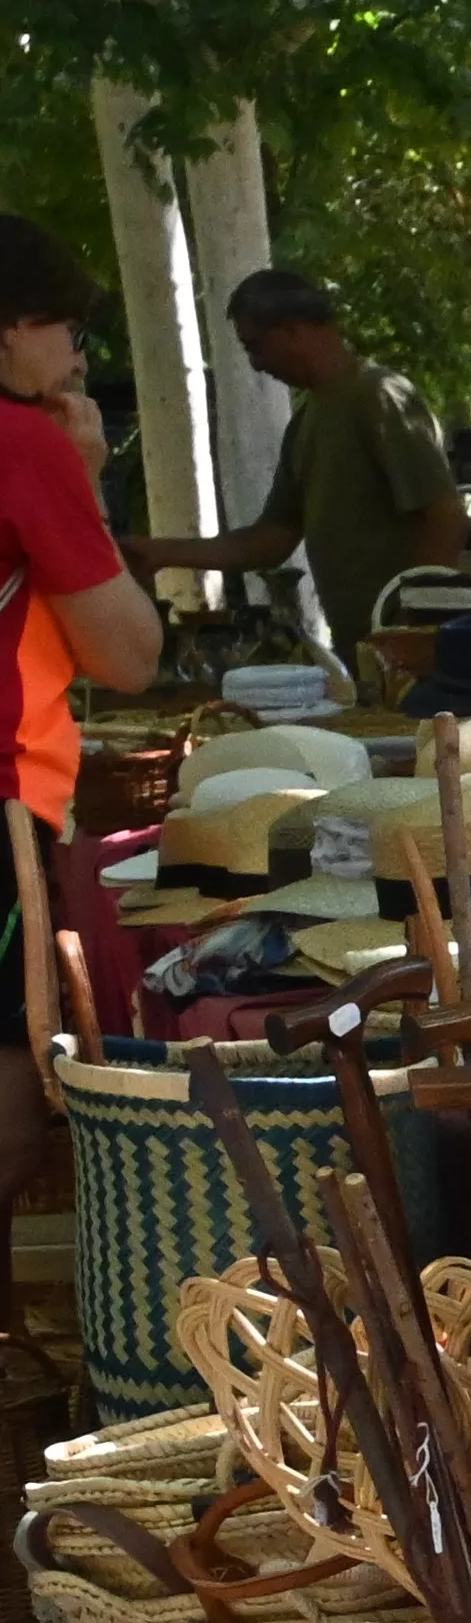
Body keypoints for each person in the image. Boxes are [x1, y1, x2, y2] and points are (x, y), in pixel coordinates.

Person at [1, 215, 161, 1184]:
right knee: (12, 1109)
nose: (75, 356)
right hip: (5, 805)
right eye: (69, 330)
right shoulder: (24, 443)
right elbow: (131, 655)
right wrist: (90, 485)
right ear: (14, 326)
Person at [122, 269, 463, 652]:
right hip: (362, 654)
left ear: (292, 329)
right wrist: (162, 552)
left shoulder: (378, 396)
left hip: (412, 655)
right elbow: (271, 540)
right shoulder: (306, 420)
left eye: (256, 346)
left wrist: (407, 626)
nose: (256, 364)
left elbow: (444, 516)